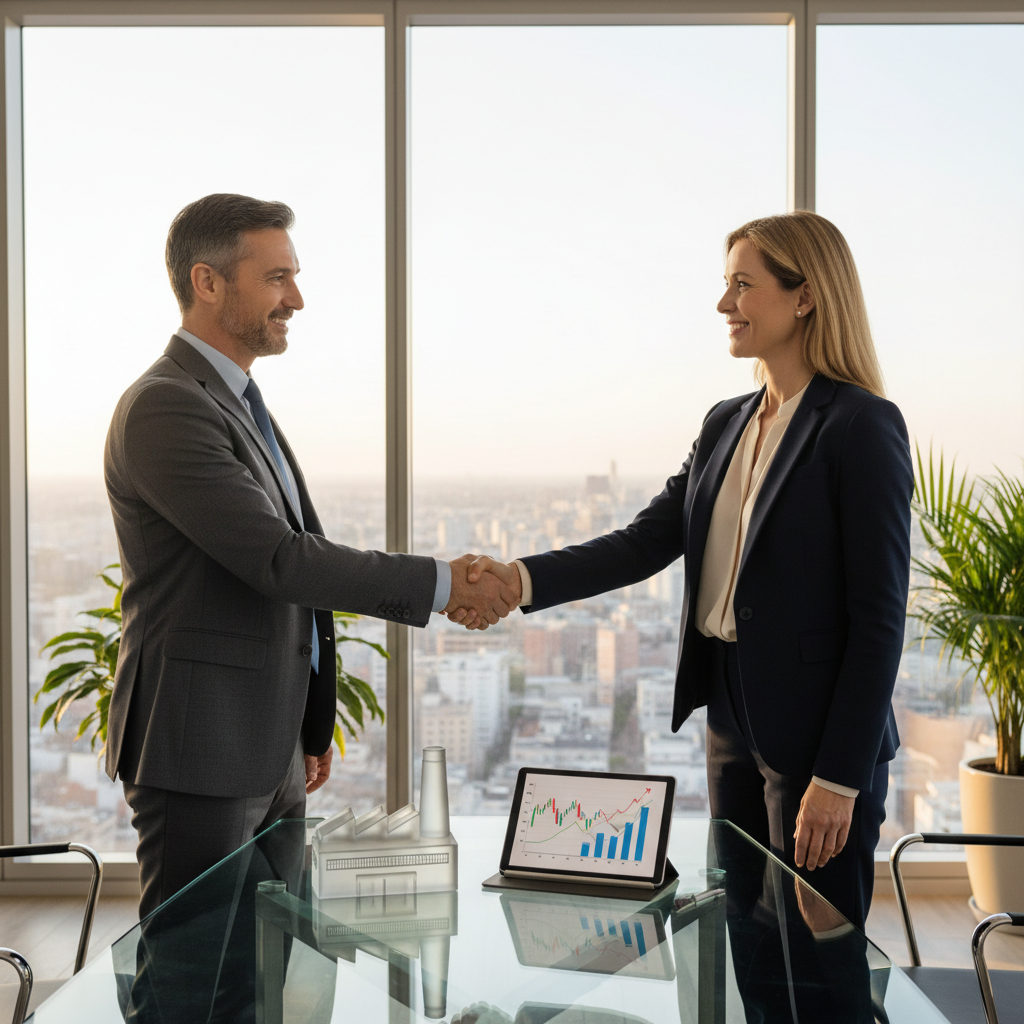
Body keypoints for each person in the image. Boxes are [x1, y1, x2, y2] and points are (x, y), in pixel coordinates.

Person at [454, 211, 912, 929]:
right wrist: (518, 579)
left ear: (805, 296)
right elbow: (644, 542)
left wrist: (840, 775)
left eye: (742, 285)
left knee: (817, 953)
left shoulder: (860, 425)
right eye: (724, 285)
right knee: (746, 929)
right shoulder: (724, 422)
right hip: (729, 712)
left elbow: (881, 618)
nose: (724, 304)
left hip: (817, 727)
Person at [104, 193, 517, 917]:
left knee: (262, 973)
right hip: (201, 748)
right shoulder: (166, 406)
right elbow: (282, 561)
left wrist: (309, 724)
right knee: (192, 980)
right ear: (207, 282)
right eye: (276, 278)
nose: (296, 298)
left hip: (269, 747)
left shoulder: (237, 402)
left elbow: (285, 580)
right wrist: (443, 582)